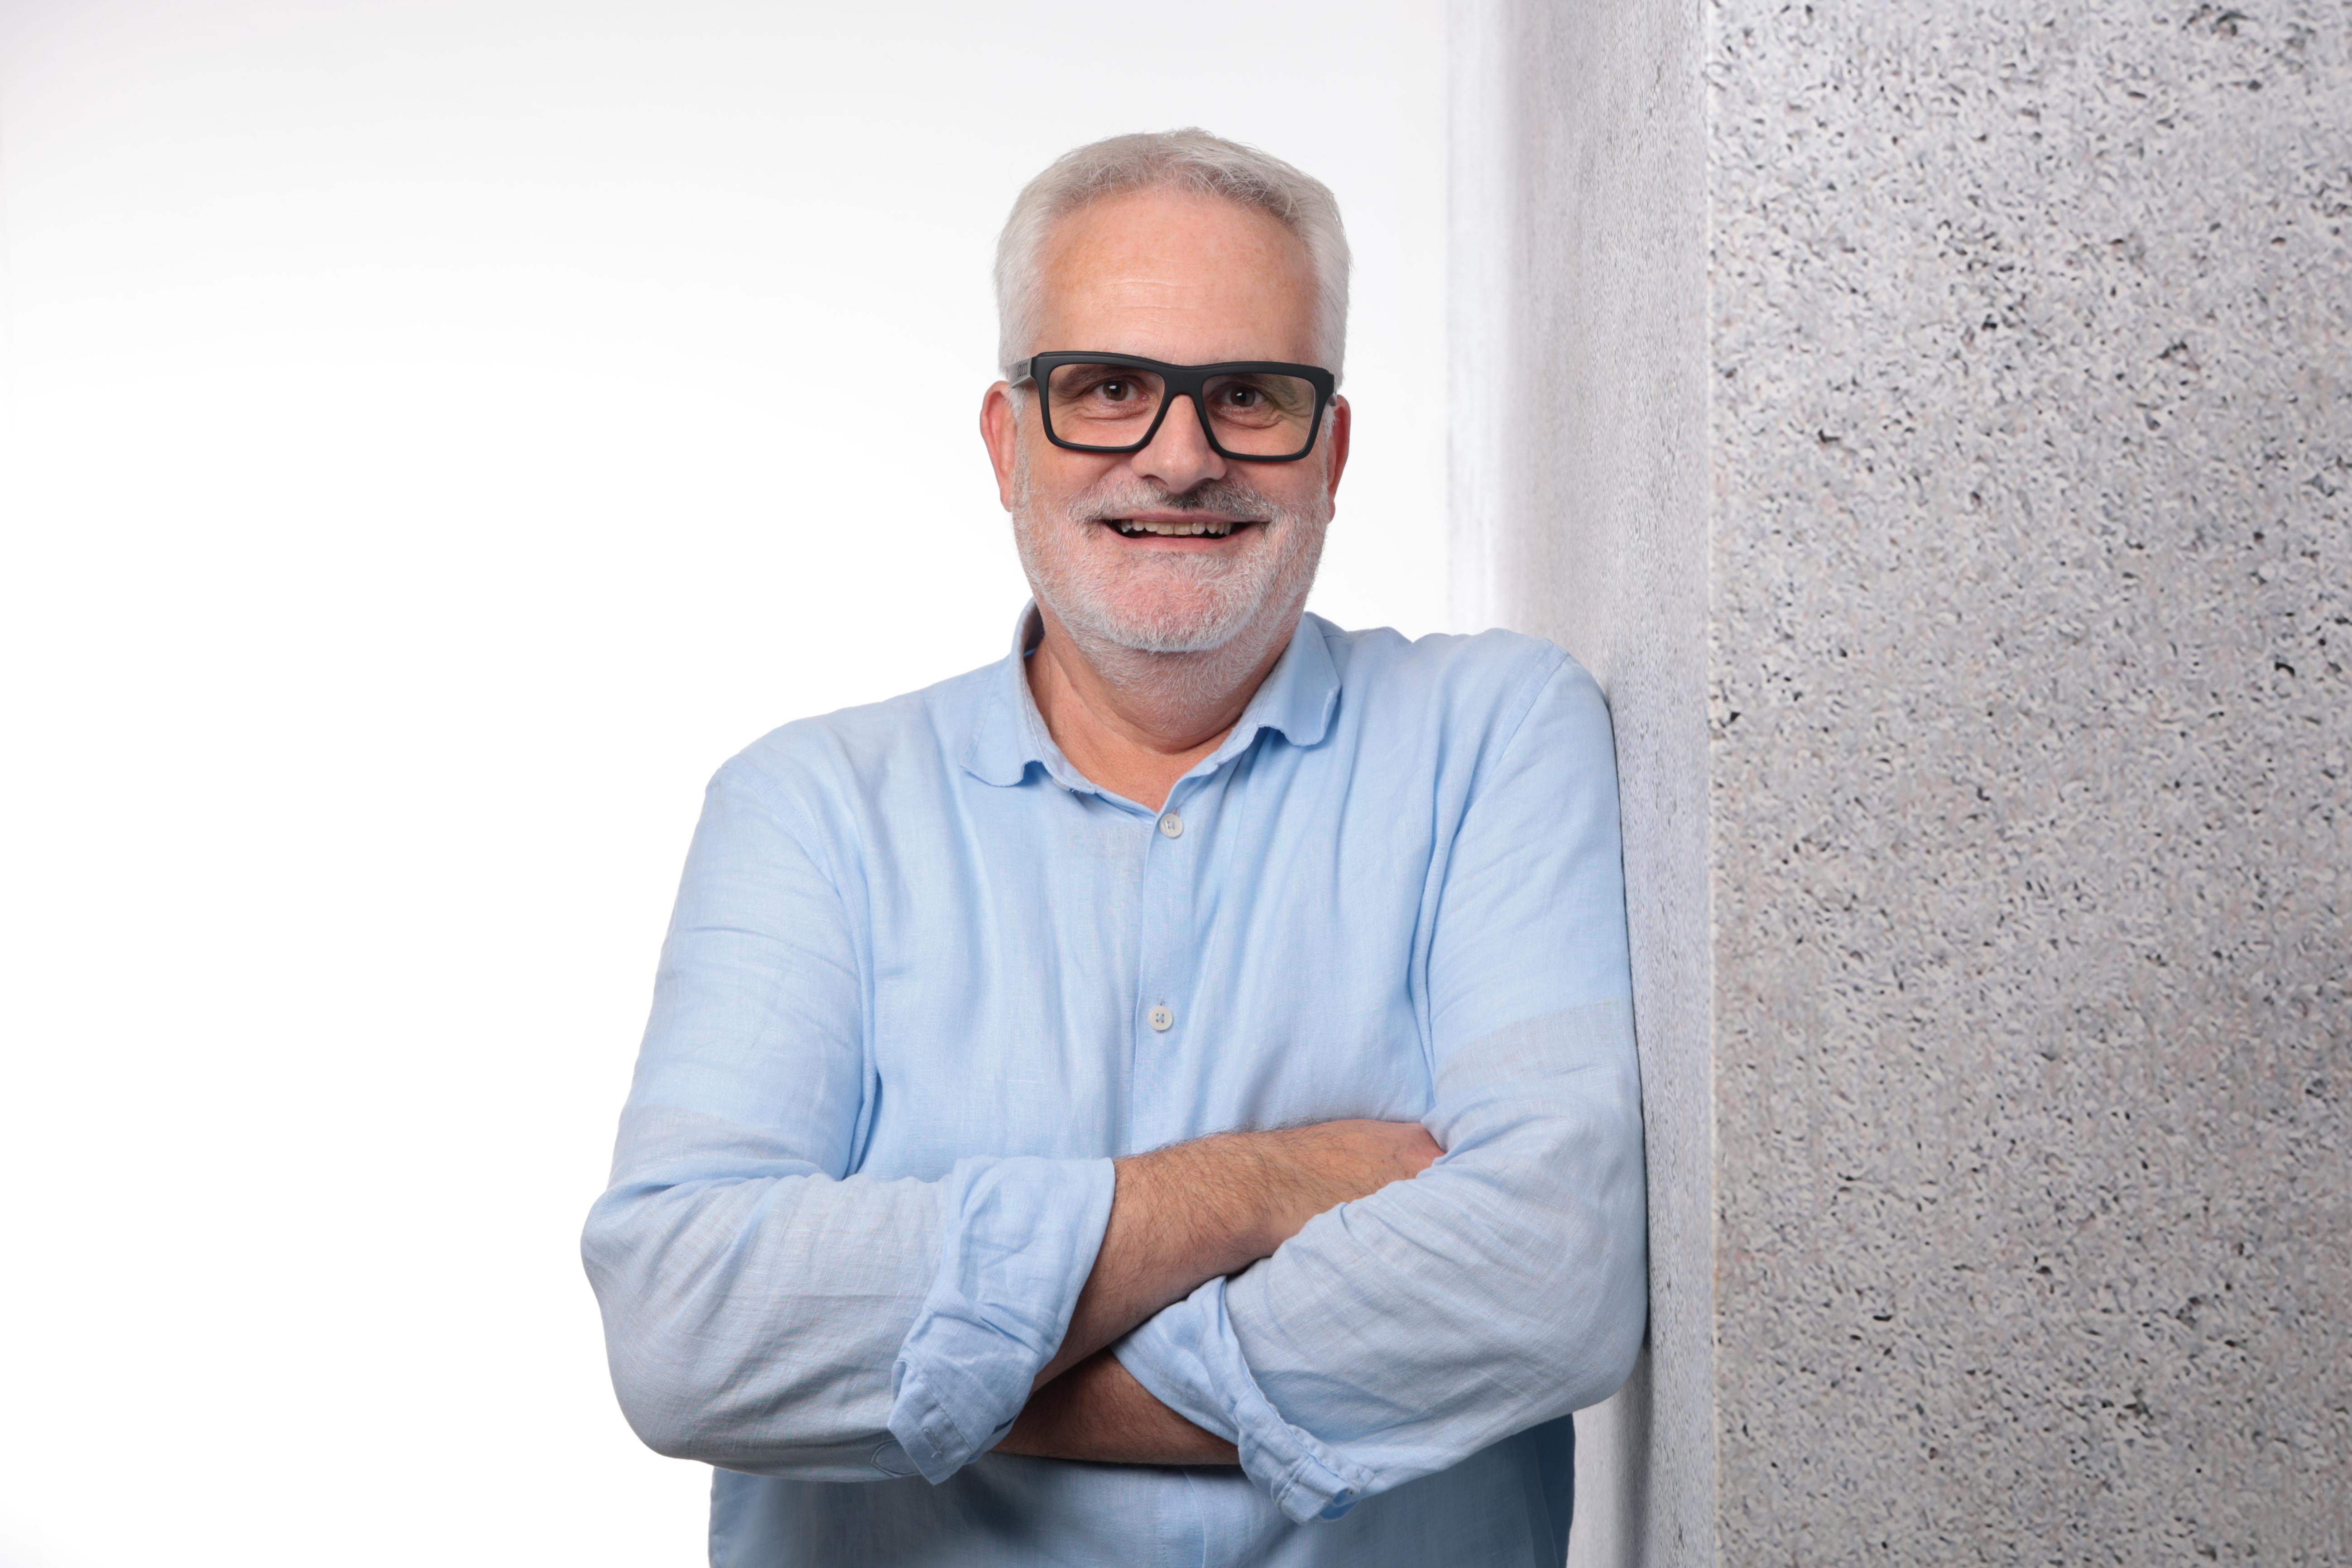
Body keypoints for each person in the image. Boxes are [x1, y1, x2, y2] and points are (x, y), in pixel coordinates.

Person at [582, 128, 1646, 1567]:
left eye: (1249, 395)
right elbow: (686, 1331)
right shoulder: (808, 807)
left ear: (1331, 451)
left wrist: (966, 1378)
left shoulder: (1494, 737)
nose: (1181, 456)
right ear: (1005, 439)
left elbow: (1552, 1275)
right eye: (1106, 389)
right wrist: (1255, 1189)